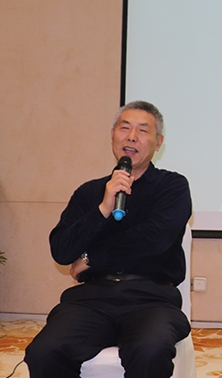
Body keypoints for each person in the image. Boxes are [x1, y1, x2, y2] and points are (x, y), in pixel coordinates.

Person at [24, 101, 192, 378]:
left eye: (143, 130)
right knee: (44, 351)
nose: (132, 137)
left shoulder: (172, 186)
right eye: (124, 128)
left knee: (150, 351)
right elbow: (62, 250)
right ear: (113, 135)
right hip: (91, 299)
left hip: (150, 299)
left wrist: (92, 258)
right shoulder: (90, 192)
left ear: (158, 142)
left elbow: (154, 238)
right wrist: (102, 209)